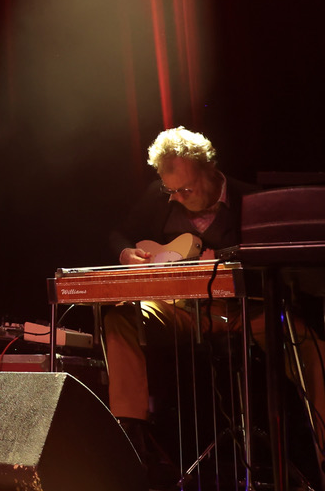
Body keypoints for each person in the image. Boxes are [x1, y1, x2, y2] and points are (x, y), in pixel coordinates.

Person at [105, 127, 325, 477]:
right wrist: (126, 253)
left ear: (208, 170)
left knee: (311, 346)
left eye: (186, 189)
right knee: (121, 317)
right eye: (170, 190)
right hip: (181, 310)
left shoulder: (250, 199)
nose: (177, 198)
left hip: (246, 311)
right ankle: (131, 437)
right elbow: (119, 233)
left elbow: (280, 262)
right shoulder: (159, 196)